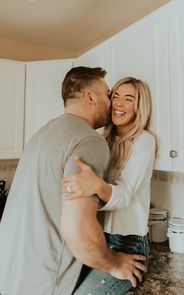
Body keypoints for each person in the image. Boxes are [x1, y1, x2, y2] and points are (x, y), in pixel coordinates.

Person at [0, 67, 146, 295]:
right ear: (90, 97)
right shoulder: (89, 141)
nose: (112, 102)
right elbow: (78, 229)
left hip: (11, 272)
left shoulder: (41, 134)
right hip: (44, 281)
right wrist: (114, 263)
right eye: (109, 94)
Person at [61, 77, 157, 294]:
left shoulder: (144, 141)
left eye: (128, 99)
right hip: (100, 239)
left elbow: (123, 196)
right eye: (116, 96)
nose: (119, 103)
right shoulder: (102, 140)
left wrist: (96, 186)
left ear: (139, 107)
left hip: (128, 246)